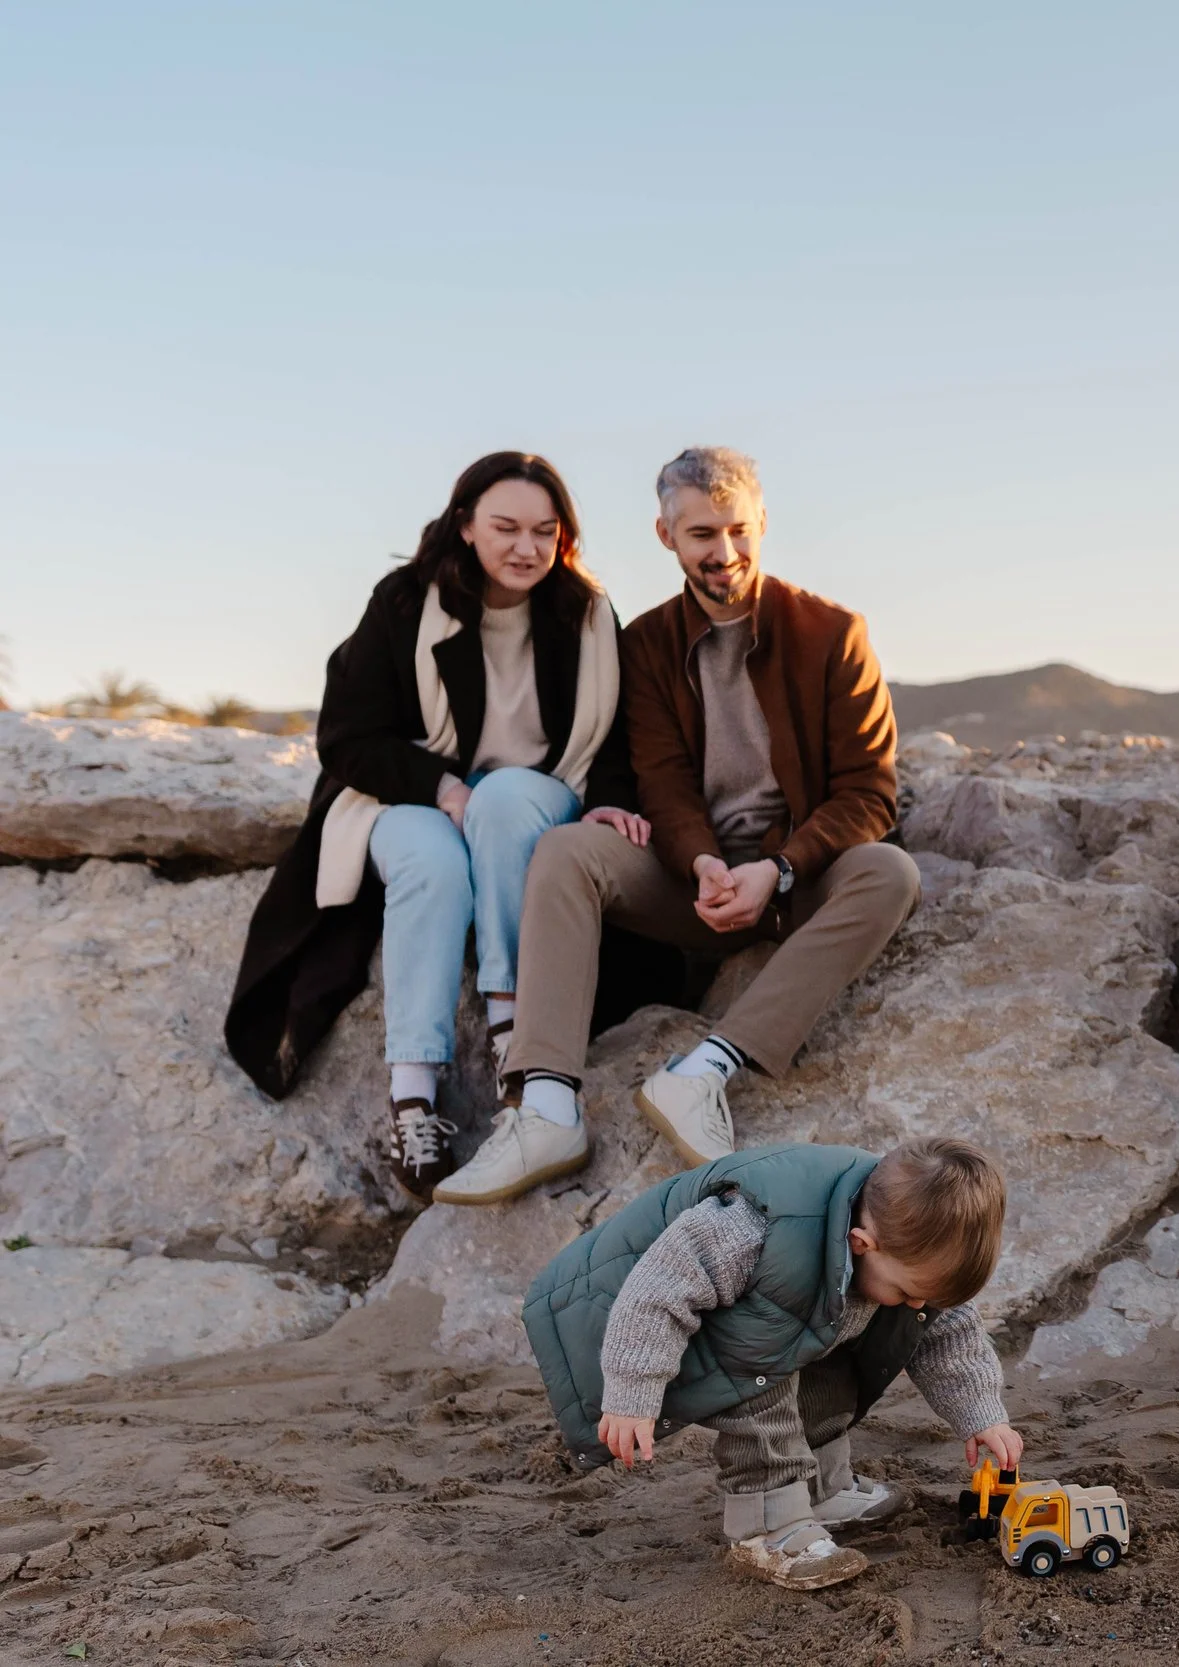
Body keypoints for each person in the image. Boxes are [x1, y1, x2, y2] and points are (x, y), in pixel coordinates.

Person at [430, 447, 919, 1204]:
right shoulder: (648, 644)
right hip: (692, 885)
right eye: (700, 535)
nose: (723, 552)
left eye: (738, 530)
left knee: (891, 870)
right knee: (567, 850)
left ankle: (704, 1072)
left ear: (762, 524)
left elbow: (867, 794)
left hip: (796, 882)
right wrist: (700, 864)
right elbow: (659, 778)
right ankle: (549, 1106)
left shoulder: (833, 634)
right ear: (665, 535)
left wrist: (778, 869)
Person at [225, 452, 641, 1198]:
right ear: (465, 526)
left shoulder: (586, 614)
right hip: (406, 795)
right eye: (505, 527)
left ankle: (516, 1029)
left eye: (544, 531)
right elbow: (348, 738)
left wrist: (610, 797)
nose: (526, 548)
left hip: (532, 798)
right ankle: (414, 1095)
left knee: (508, 797)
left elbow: (613, 736)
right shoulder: (405, 602)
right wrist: (441, 785)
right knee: (432, 864)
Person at [524, 1136, 1022, 1590]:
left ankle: (820, 1489)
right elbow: (655, 1291)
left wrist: (982, 1414)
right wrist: (633, 1392)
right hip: (634, 1314)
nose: (916, 1307)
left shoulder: (905, 1240)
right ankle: (767, 1526)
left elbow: (945, 1325)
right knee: (761, 1387)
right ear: (860, 1245)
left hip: (775, 1322)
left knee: (830, 1378)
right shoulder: (752, 1228)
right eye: (908, 1293)